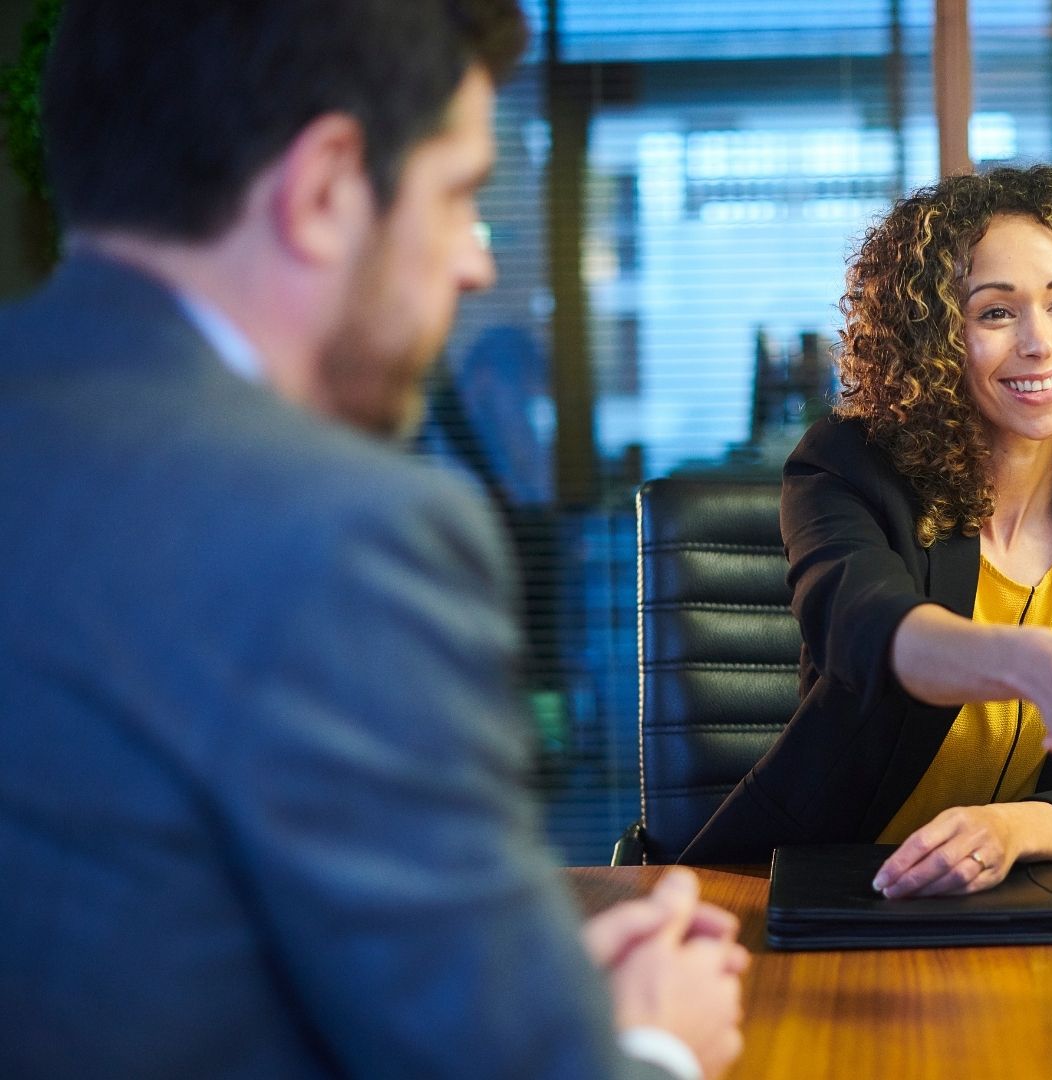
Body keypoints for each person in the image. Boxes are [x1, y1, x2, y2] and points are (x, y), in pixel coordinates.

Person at [0, 3, 745, 1078]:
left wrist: (504, 974)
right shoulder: (334, 531)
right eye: (460, 196)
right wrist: (650, 1044)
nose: (475, 262)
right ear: (325, 190)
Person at [680, 164, 1052, 894]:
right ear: (933, 339)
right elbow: (868, 633)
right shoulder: (846, 469)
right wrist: (1035, 663)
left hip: (1019, 891)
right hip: (816, 876)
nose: (1040, 342)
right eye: (996, 313)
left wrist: (1012, 829)